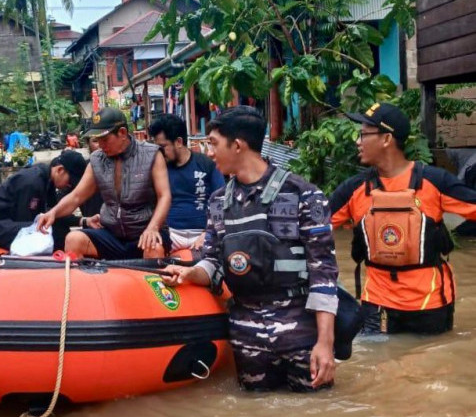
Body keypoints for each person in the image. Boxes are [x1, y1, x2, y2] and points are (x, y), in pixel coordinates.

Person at [162, 106, 337, 392]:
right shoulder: (218, 202)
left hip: (301, 335)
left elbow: (324, 275)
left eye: (214, 144)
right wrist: (190, 273)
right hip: (246, 337)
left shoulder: (303, 195)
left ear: (238, 146)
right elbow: (213, 261)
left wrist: (325, 343)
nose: (209, 152)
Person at [330, 102, 476, 335]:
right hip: (377, 302)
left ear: (387, 139)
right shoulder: (354, 189)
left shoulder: (435, 182)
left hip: (429, 303)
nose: (358, 142)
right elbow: (313, 228)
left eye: (363, 134)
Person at [37, 107, 172, 260]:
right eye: (97, 140)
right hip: (112, 234)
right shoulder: (97, 160)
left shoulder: (151, 154)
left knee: (152, 246)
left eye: (105, 139)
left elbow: (164, 196)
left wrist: (153, 228)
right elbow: (76, 196)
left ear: (122, 133)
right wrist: (52, 213)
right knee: (73, 240)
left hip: (144, 231)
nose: (101, 145)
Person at [0, 150, 88, 252]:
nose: (70, 186)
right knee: (51, 235)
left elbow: (54, 214)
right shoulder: (32, 182)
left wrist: (83, 221)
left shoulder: (47, 181)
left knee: (60, 230)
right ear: (60, 170)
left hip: (6, 222)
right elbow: (26, 222)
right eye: (70, 181)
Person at [150, 114, 225, 252]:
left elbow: (220, 200)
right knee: (151, 247)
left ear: (178, 142)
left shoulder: (206, 164)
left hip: (202, 231)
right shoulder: (159, 168)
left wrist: (208, 233)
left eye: (162, 147)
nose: (158, 153)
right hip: (171, 233)